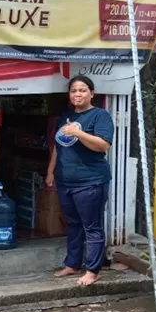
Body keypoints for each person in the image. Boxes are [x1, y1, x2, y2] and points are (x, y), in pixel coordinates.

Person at [45, 76, 114, 286]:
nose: (78, 94)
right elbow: (59, 145)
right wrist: (50, 171)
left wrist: (78, 133)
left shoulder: (100, 116)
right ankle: (72, 263)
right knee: (73, 224)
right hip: (66, 181)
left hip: (91, 181)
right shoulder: (65, 116)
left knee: (91, 226)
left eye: (83, 90)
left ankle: (93, 270)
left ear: (92, 94)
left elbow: (103, 146)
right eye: (74, 90)